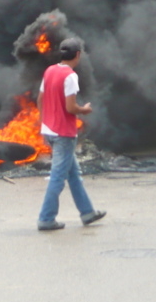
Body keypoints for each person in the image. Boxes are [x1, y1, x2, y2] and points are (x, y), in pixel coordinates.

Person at [36, 37, 106, 232]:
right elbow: (70, 107)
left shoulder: (50, 71)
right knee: (58, 178)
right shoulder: (70, 76)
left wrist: (44, 120)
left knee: (74, 174)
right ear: (78, 55)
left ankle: (87, 213)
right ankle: (46, 219)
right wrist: (85, 110)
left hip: (49, 131)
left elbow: (40, 99)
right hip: (63, 134)